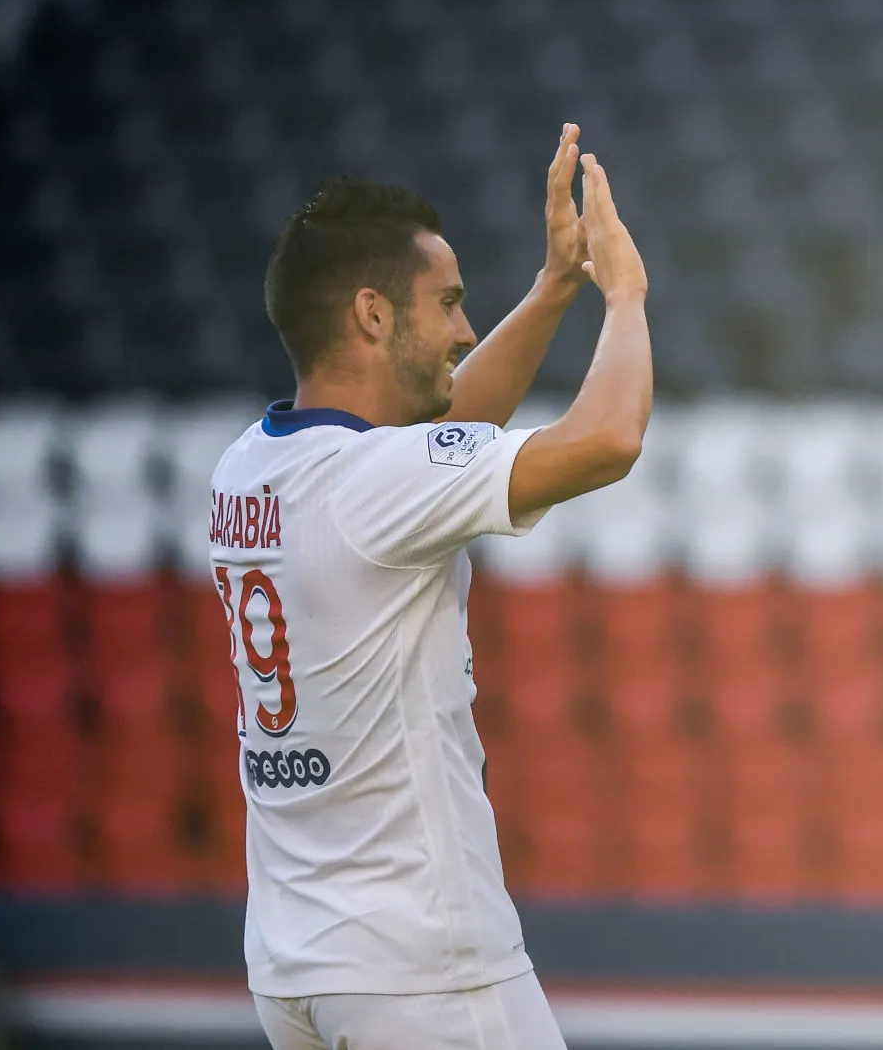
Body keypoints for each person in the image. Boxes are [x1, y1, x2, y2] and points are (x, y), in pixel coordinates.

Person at [209, 124, 652, 1050]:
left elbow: (434, 449)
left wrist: (553, 287)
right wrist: (624, 293)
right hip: (421, 969)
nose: (461, 329)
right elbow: (607, 438)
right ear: (372, 314)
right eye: (448, 303)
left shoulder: (247, 472)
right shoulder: (374, 484)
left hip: (298, 966)